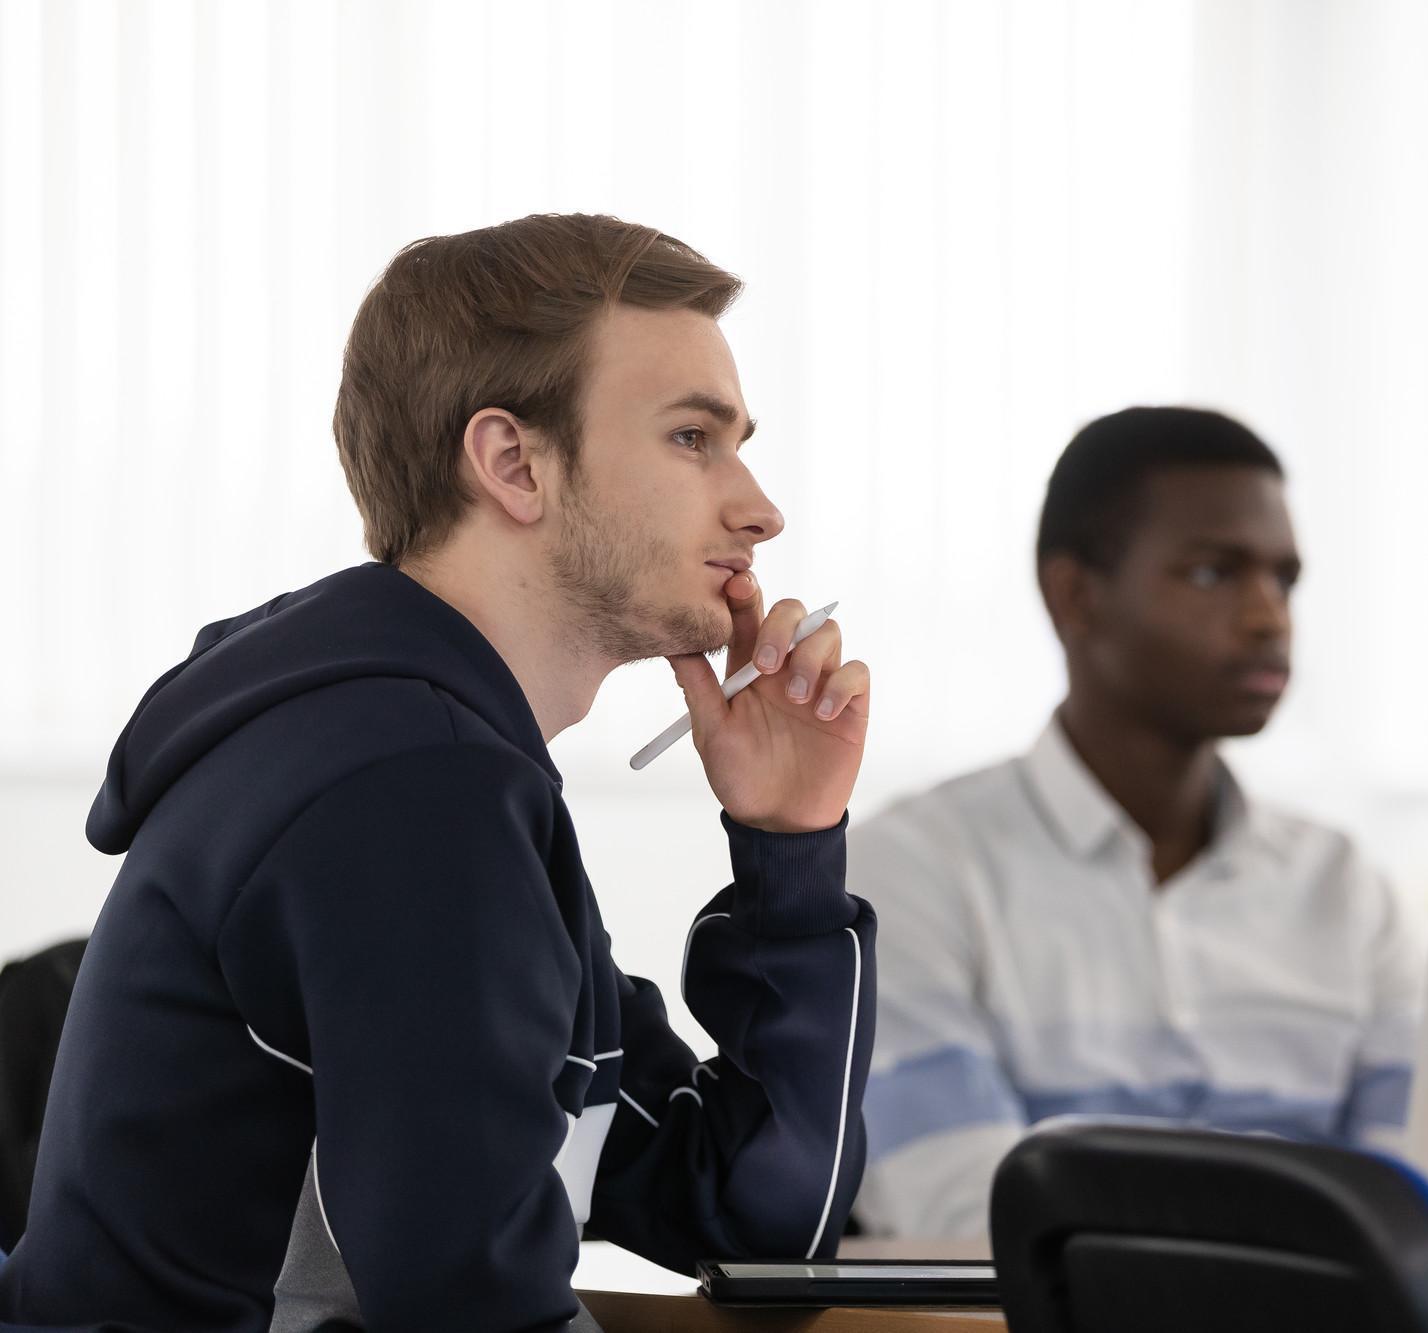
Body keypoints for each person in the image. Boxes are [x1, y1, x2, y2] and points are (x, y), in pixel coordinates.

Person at [0, 214, 877, 1331]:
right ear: (514, 463)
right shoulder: (408, 786)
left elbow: (754, 1220)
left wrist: (790, 851)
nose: (758, 506)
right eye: (692, 439)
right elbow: (473, 1312)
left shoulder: (448, 768)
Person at [853, 407, 1418, 1239]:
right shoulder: (909, 873)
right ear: (1075, 594)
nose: (1270, 617)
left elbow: (1416, 1214)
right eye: (1211, 573)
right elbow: (971, 1219)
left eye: (1284, 578)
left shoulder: (1347, 892)